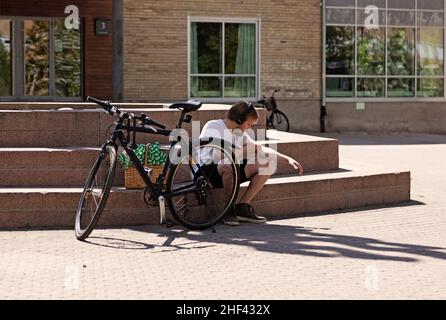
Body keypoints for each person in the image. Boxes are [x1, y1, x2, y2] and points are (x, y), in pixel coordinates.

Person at [199, 101, 304, 226]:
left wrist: (287, 159)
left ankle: (242, 207)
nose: (249, 128)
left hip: (231, 169)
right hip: (206, 172)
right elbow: (217, 155)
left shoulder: (240, 133)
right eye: (249, 124)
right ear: (239, 120)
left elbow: (259, 148)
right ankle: (228, 210)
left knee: (267, 164)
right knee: (228, 164)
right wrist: (244, 151)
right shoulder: (213, 126)